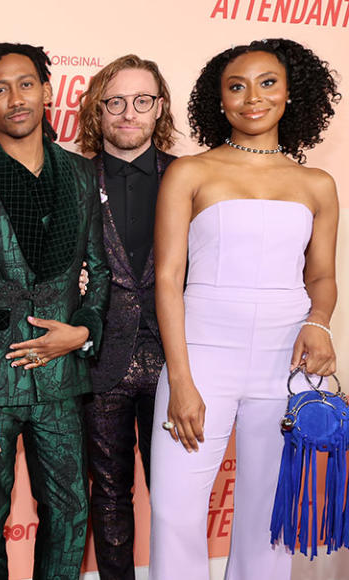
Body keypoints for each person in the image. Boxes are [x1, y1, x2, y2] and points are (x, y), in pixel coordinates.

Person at [150, 38, 339, 580]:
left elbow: (322, 277)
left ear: (291, 93)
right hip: (202, 356)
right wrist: (182, 379)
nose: (251, 97)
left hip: (287, 362)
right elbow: (168, 280)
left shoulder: (317, 184)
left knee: (267, 517)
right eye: (236, 86)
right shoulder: (190, 172)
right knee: (175, 513)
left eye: (267, 83)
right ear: (220, 100)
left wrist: (318, 324)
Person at [0, 42, 109, 580]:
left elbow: (100, 272)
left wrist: (81, 332)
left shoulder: (81, 174)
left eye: (26, 84)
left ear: (47, 91)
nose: (16, 98)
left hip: (61, 377)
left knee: (71, 514)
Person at [75, 54, 177, 580]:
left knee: (177, 494)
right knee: (109, 495)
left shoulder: (190, 176)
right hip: (98, 358)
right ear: (98, 108)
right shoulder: (73, 176)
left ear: (159, 107)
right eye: (115, 101)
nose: (128, 113)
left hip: (177, 358)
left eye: (142, 100)